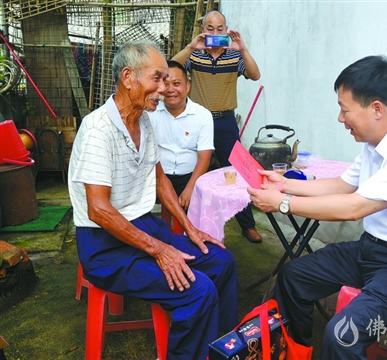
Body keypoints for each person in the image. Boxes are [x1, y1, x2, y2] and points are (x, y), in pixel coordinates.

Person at [248, 55, 387, 359]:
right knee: (293, 276)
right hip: (374, 251)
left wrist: (283, 204)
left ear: (376, 108)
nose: (340, 118)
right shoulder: (377, 142)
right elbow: (342, 185)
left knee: (342, 335)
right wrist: (282, 183)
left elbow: (354, 207)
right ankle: (296, 352)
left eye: (344, 109)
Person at [68, 41, 237, 359]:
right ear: (129, 77)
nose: (164, 89)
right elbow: (99, 209)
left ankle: (223, 349)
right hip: (105, 247)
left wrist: (189, 228)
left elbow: (159, 179)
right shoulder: (97, 131)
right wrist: (160, 250)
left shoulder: (143, 121)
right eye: (157, 78)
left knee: (220, 261)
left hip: (141, 226)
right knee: (198, 290)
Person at [172, 10, 263, 243]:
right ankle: (190, 223)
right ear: (203, 30)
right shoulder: (195, 55)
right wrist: (192, 47)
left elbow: (254, 75)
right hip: (198, 121)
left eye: (220, 28)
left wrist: (243, 48)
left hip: (225, 121)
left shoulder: (234, 55)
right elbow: (170, 68)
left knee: (238, 171)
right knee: (194, 169)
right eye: (210, 28)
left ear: (226, 30)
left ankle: (247, 225)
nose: (215, 33)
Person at [148, 60, 213, 211]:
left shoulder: (203, 115)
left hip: (190, 177)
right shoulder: (150, 113)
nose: (170, 89)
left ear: (188, 86)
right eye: (166, 83)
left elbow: (205, 157)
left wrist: (191, 189)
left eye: (176, 84)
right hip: (156, 178)